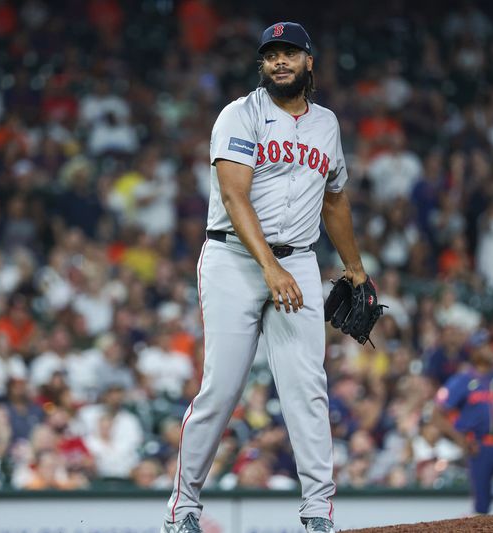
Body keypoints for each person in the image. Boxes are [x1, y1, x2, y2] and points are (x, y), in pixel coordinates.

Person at [162, 21, 370, 533]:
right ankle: (183, 509)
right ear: (262, 64)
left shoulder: (327, 124)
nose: (280, 62)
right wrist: (269, 267)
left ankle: (318, 513)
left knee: (307, 387)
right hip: (234, 259)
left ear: (309, 63)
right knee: (222, 388)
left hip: (298, 259)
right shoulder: (240, 113)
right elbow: (234, 197)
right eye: (271, 54)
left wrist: (356, 268)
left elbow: (335, 198)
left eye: (290, 53)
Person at [431, 331, 493, 515]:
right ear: (474, 351)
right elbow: (437, 414)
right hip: (478, 447)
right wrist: (460, 439)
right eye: (483, 346)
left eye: (490, 345)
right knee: (482, 505)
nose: (490, 350)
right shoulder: (462, 381)